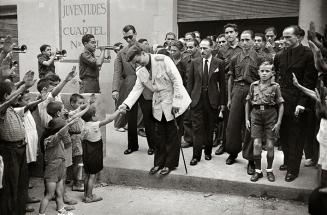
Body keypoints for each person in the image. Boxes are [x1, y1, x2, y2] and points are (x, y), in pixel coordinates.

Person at [119, 43, 191, 175]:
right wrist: (126, 104)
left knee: (172, 134)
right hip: (158, 103)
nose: (138, 64)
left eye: (138, 60)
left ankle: (170, 164)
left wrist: (177, 101)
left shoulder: (163, 60)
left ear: (143, 53)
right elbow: (137, 90)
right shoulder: (140, 71)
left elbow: (177, 81)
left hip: (174, 99)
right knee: (159, 135)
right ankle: (158, 163)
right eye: (135, 63)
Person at [274, 25, 317, 182]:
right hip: (283, 101)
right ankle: (287, 162)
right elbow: (279, 77)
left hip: (299, 102)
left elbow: (309, 82)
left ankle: (293, 169)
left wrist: (302, 103)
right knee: (284, 134)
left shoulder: (308, 55)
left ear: (299, 37)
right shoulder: (280, 55)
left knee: (296, 136)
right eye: (283, 37)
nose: (284, 40)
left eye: (288, 37)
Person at [39, 101, 89, 215]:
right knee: (49, 194)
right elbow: (61, 132)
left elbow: (63, 130)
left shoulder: (58, 137)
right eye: (62, 110)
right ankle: (41, 213)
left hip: (60, 164)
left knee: (59, 191)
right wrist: (70, 124)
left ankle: (61, 210)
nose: (64, 112)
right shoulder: (51, 140)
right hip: (52, 168)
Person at [225, 30, 264, 175]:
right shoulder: (235, 58)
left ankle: (251, 160)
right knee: (232, 124)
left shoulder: (260, 58)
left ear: (254, 40)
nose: (245, 43)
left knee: (251, 125)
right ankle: (232, 152)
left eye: (248, 40)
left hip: (253, 91)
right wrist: (229, 98)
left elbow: (264, 79)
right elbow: (230, 78)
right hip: (237, 90)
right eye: (242, 40)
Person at [0, 72, 36, 215]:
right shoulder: (3, 109)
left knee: (22, 183)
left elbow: (10, 95)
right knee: (11, 184)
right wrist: (23, 86)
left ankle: (19, 210)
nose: (19, 96)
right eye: (13, 93)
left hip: (20, 148)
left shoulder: (11, 108)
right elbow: (8, 100)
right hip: (10, 151)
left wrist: (22, 83)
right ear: (5, 96)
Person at [187, 38, 226, 165]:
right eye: (201, 48)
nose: (202, 51)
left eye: (205, 48)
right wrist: (188, 100)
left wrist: (222, 103)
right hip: (197, 99)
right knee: (197, 129)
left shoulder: (219, 63)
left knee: (209, 128)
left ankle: (208, 153)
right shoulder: (195, 62)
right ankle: (196, 156)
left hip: (212, 100)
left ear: (212, 48)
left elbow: (223, 84)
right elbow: (190, 83)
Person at [245, 61, 284, 182]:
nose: (264, 73)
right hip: (255, 115)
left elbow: (281, 104)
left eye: (267, 71)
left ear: (272, 73)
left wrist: (278, 122)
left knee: (270, 145)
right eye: (262, 71)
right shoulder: (253, 85)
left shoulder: (275, 86)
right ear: (258, 72)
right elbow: (247, 102)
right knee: (256, 144)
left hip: (270, 115)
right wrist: (247, 118)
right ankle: (258, 171)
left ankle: (269, 170)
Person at [112, 25, 147, 155]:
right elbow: (117, 72)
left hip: (146, 86)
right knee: (131, 118)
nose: (128, 40)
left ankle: (153, 146)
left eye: (130, 37)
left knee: (148, 116)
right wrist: (115, 89)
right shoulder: (121, 53)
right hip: (130, 86)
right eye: (125, 38)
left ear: (136, 34)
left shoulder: (146, 49)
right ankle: (132, 145)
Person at [81, 106, 125, 203]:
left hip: (86, 153)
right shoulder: (95, 125)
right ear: (92, 117)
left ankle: (85, 195)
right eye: (95, 114)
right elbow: (109, 119)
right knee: (93, 175)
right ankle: (89, 196)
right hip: (94, 153)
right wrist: (118, 111)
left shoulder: (83, 125)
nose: (97, 115)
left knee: (87, 175)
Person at [180, 38, 201, 148]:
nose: (188, 49)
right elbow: (182, 77)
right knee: (187, 117)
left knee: (198, 118)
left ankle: (199, 140)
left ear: (197, 47)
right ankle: (188, 139)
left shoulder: (201, 60)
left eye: (191, 47)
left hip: (198, 90)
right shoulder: (184, 60)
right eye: (187, 47)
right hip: (187, 90)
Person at [69, 94, 86, 192]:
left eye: (83, 103)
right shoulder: (72, 114)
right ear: (72, 103)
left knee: (79, 161)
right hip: (75, 139)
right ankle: (76, 182)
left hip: (79, 139)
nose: (82, 105)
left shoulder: (81, 114)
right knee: (77, 161)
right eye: (80, 103)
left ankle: (76, 180)